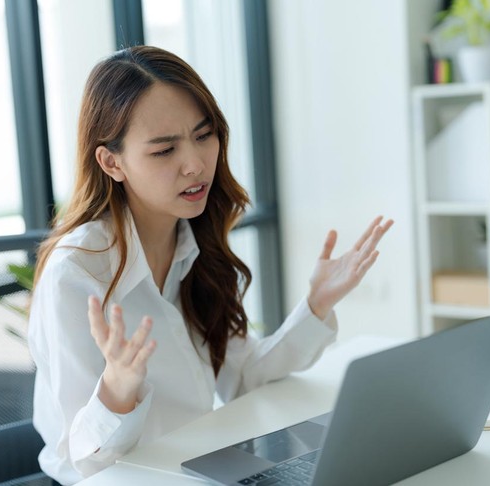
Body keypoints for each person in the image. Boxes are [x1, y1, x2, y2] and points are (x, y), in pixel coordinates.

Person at [27, 45, 393, 484]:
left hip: (199, 468)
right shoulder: (78, 271)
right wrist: (118, 389)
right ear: (112, 162)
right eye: (164, 151)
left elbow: (241, 377)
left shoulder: (192, 237)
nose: (196, 165)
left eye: (204, 135)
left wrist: (315, 305)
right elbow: (86, 459)